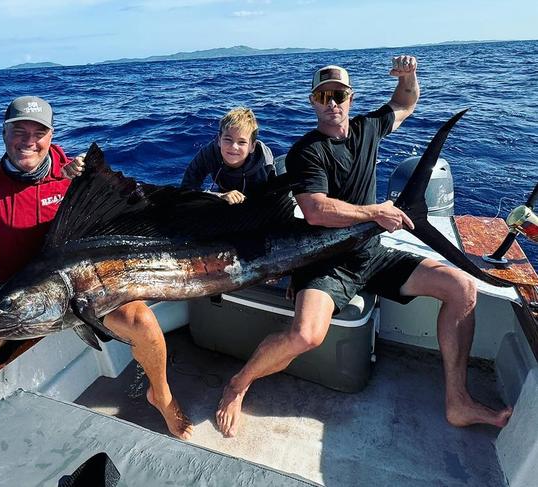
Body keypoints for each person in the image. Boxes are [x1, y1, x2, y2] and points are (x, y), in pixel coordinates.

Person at [215, 58, 513, 438]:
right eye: (323, 96)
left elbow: (405, 103)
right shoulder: (309, 149)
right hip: (325, 262)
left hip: (371, 255)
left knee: (461, 287)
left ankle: (458, 401)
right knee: (306, 334)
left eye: (338, 94)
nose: (332, 102)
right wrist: (374, 212)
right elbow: (315, 209)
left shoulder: (368, 128)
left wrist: (409, 77)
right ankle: (237, 385)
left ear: (350, 98)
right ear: (313, 102)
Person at [0, 96, 193, 440]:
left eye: (39, 132)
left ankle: (161, 395)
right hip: (20, 303)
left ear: (51, 136)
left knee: (143, 322)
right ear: (4, 132)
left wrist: (87, 179)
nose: (28, 140)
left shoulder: (74, 175)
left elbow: (140, 206)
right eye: (19, 130)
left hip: (86, 293)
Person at [181, 107, 275, 204]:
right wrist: (218, 196)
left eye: (242, 142)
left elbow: (273, 197)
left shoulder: (264, 162)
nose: (234, 146)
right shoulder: (208, 154)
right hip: (224, 195)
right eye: (228, 139)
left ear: (252, 147)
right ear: (219, 140)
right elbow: (187, 189)